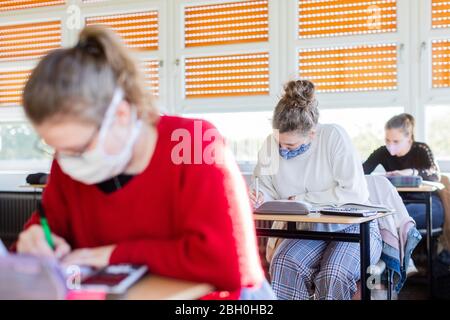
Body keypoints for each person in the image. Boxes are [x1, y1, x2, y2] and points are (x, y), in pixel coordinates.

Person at [15, 25, 274, 300]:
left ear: (122, 114)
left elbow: (227, 265)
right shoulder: (69, 158)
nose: (66, 160)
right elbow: (49, 224)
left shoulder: (194, 142)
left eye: (78, 147)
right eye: (55, 148)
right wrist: (35, 237)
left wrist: (111, 254)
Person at [250, 80, 382, 300]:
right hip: (309, 229)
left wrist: (302, 199)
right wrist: (259, 195)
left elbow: (354, 193)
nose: (282, 150)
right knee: (284, 263)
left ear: (312, 134)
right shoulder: (270, 145)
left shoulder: (333, 137)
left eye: (290, 146)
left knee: (333, 274)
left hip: (354, 228)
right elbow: (265, 187)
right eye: (279, 142)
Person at [363, 113, 444, 230]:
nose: (390, 145)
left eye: (396, 141)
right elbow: (361, 172)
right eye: (387, 140)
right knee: (390, 217)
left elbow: (435, 175)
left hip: (427, 203)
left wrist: (411, 172)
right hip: (398, 203)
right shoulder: (382, 152)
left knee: (396, 218)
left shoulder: (421, 149)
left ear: (409, 138)